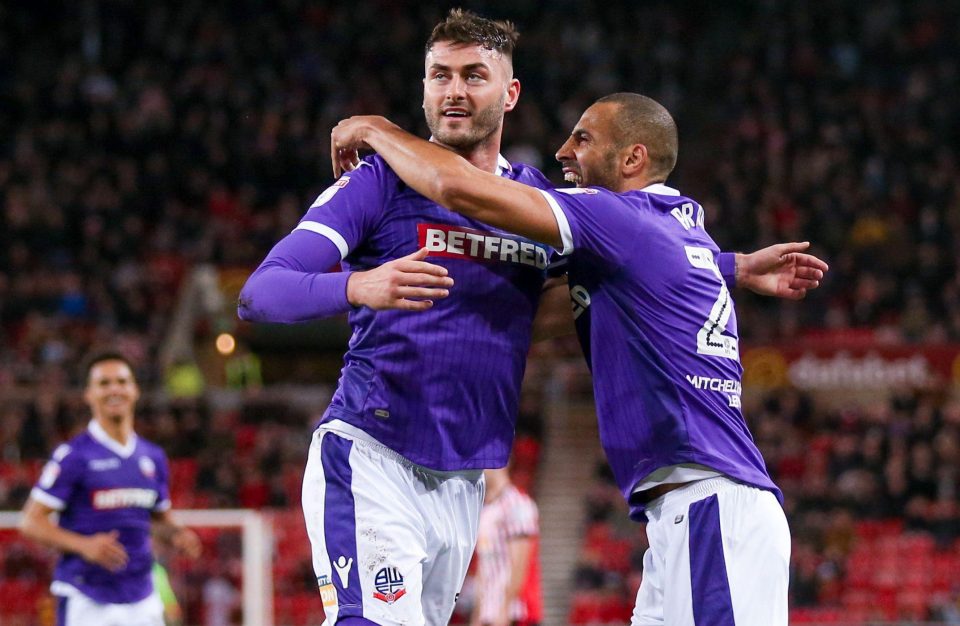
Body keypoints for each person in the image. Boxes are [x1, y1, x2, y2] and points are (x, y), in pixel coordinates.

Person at [243, 9, 824, 626]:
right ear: (424, 88)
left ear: (510, 92)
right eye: (439, 76)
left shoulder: (533, 201)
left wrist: (725, 265)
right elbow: (262, 293)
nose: (455, 92)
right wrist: (357, 285)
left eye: (474, 75)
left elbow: (631, 255)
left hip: (464, 483)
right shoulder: (377, 184)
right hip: (372, 452)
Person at [20, 351, 202, 626]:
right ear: (88, 394)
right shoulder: (74, 456)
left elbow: (157, 519)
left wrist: (178, 535)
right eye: (104, 384)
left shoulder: (152, 457)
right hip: (86, 596)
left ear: (135, 390)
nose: (114, 389)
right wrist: (83, 545)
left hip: (142, 597)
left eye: (122, 381)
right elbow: (31, 521)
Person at [471, 467, 541, 626]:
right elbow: (484, 564)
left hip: (516, 612)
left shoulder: (517, 504)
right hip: (488, 611)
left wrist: (505, 608)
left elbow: (520, 563)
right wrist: (478, 612)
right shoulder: (487, 508)